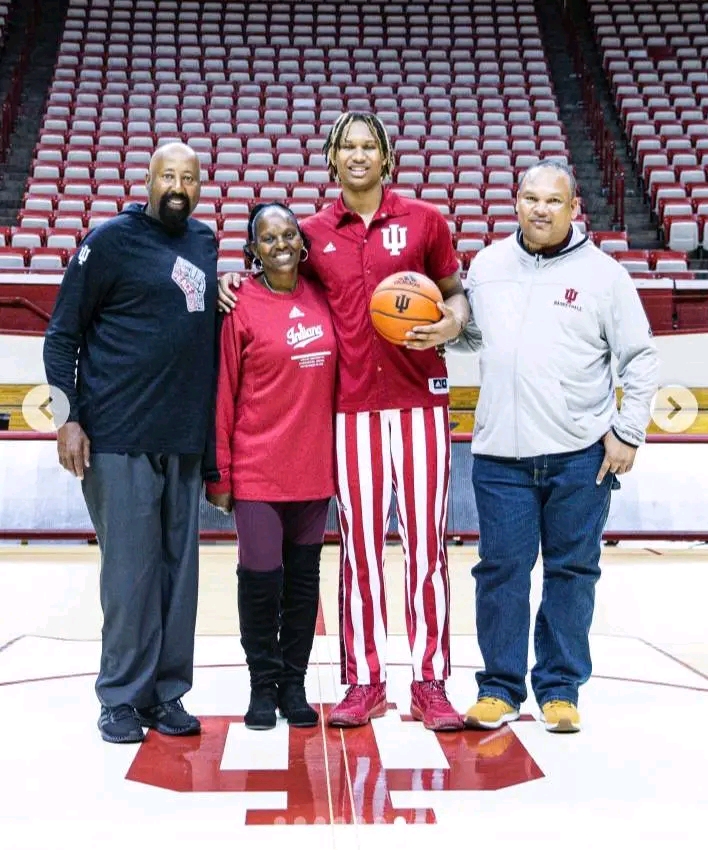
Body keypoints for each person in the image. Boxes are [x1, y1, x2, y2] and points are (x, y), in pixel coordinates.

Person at [219, 112, 471, 731]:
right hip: (350, 411)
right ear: (332, 158)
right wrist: (234, 280)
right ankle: (364, 680)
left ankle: (430, 683)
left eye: (369, 147)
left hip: (419, 404)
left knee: (426, 548)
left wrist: (453, 323)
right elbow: (272, 284)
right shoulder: (310, 235)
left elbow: (455, 292)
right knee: (357, 550)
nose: (358, 156)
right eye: (347, 147)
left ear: (386, 157)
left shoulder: (426, 221)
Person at [456, 159, 659, 733]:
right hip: (500, 457)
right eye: (530, 198)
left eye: (554, 201)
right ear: (516, 203)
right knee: (501, 572)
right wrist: (442, 322)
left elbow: (640, 359)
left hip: (579, 455)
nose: (540, 209)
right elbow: (472, 335)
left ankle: (560, 688)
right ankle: (498, 688)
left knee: (572, 571)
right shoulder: (488, 265)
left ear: (574, 209)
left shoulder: (605, 276)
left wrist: (628, 431)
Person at [43, 142, 219, 744]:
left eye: (189, 177)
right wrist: (67, 419)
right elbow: (62, 335)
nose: (179, 185)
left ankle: (166, 695)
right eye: (168, 175)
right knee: (130, 575)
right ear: (147, 181)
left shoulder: (204, 242)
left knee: (179, 577)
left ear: (200, 186)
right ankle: (119, 698)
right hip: (116, 437)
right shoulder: (109, 240)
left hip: (183, 439)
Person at [205, 203, 337, 731]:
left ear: (301, 244)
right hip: (258, 471)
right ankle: (262, 685)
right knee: (260, 581)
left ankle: (294, 684)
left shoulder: (324, 296)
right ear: (252, 251)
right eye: (268, 237)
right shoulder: (239, 305)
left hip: (314, 471)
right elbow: (223, 395)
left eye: (289, 234)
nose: (281, 243)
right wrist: (221, 474)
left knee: (303, 584)